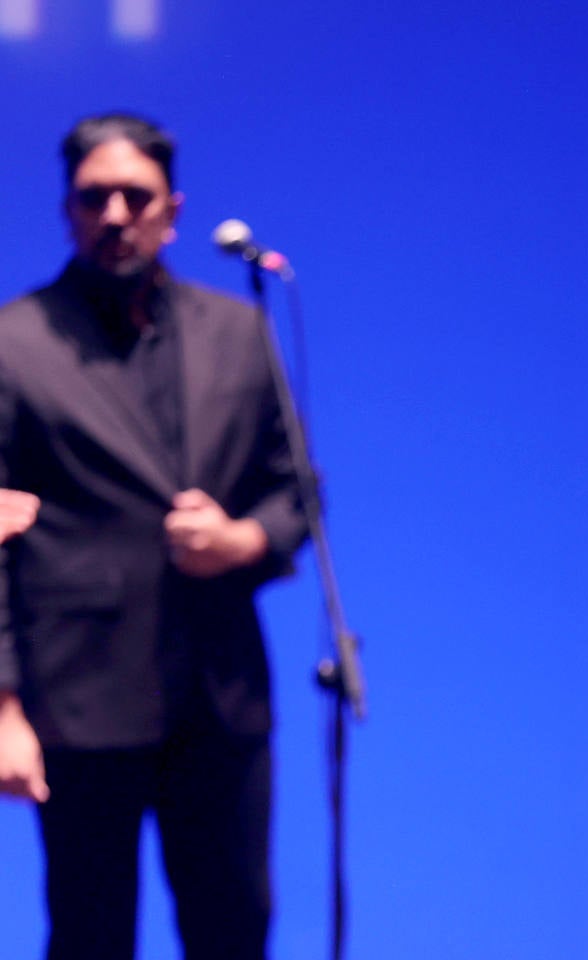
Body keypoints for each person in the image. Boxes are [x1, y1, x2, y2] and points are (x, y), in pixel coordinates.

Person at [0, 112, 307, 960]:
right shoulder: (14, 343)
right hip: (79, 703)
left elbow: (296, 492)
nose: (114, 215)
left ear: (172, 210)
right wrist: (2, 707)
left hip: (221, 699)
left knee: (234, 931)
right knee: (91, 938)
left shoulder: (237, 329)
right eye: (93, 198)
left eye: (135, 197)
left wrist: (244, 541)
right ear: (66, 211)